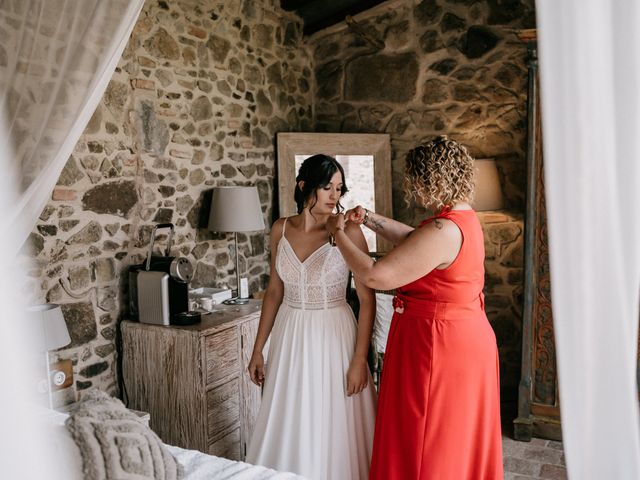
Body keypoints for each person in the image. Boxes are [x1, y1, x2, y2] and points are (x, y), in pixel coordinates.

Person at [326, 136, 503, 480]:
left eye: (416, 182)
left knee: (429, 438)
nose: (415, 191)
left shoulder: (443, 230)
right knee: (452, 437)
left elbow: (375, 275)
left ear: (432, 179)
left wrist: (340, 236)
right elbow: (415, 240)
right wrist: (372, 220)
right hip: (461, 339)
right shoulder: (461, 220)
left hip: (439, 348)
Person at [246, 154, 377, 480]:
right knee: (292, 416)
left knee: (334, 419)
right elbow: (274, 291)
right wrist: (258, 348)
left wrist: (360, 358)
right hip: (290, 335)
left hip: (334, 333)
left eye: (339, 188)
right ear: (305, 186)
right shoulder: (281, 229)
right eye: (327, 187)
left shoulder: (349, 231)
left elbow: (366, 297)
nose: (335, 196)